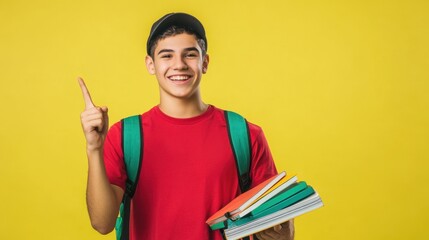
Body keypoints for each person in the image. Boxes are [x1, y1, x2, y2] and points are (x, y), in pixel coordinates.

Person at [79, 12, 294, 240]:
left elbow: (277, 230)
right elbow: (102, 223)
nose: (179, 65)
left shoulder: (245, 134)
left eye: (190, 54)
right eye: (167, 56)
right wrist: (94, 148)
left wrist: (284, 228)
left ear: (205, 62)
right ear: (150, 64)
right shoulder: (124, 136)